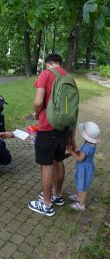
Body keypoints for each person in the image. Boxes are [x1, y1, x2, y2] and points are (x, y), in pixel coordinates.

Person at [28, 53, 77, 216]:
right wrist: (72, 135)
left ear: (48, 64)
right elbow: (74, 109)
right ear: (60, 64)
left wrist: (36, 114)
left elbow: (38, 102)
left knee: (46, 165)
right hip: (64, 128)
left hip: (47, 127)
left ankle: (47, 205)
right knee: (58, 161)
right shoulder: (70, 78)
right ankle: (57, 195)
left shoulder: (46, 74)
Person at [67, 121, 100, 211]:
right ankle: (78, 196)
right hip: (85, 167)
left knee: (83, 187)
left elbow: (80, 158)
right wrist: (77, 152)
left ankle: (81, 205)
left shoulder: (87, 147)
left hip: (84, 169)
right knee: (80, 183)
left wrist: (71, 151)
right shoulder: (91, 144)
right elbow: (84, 154)